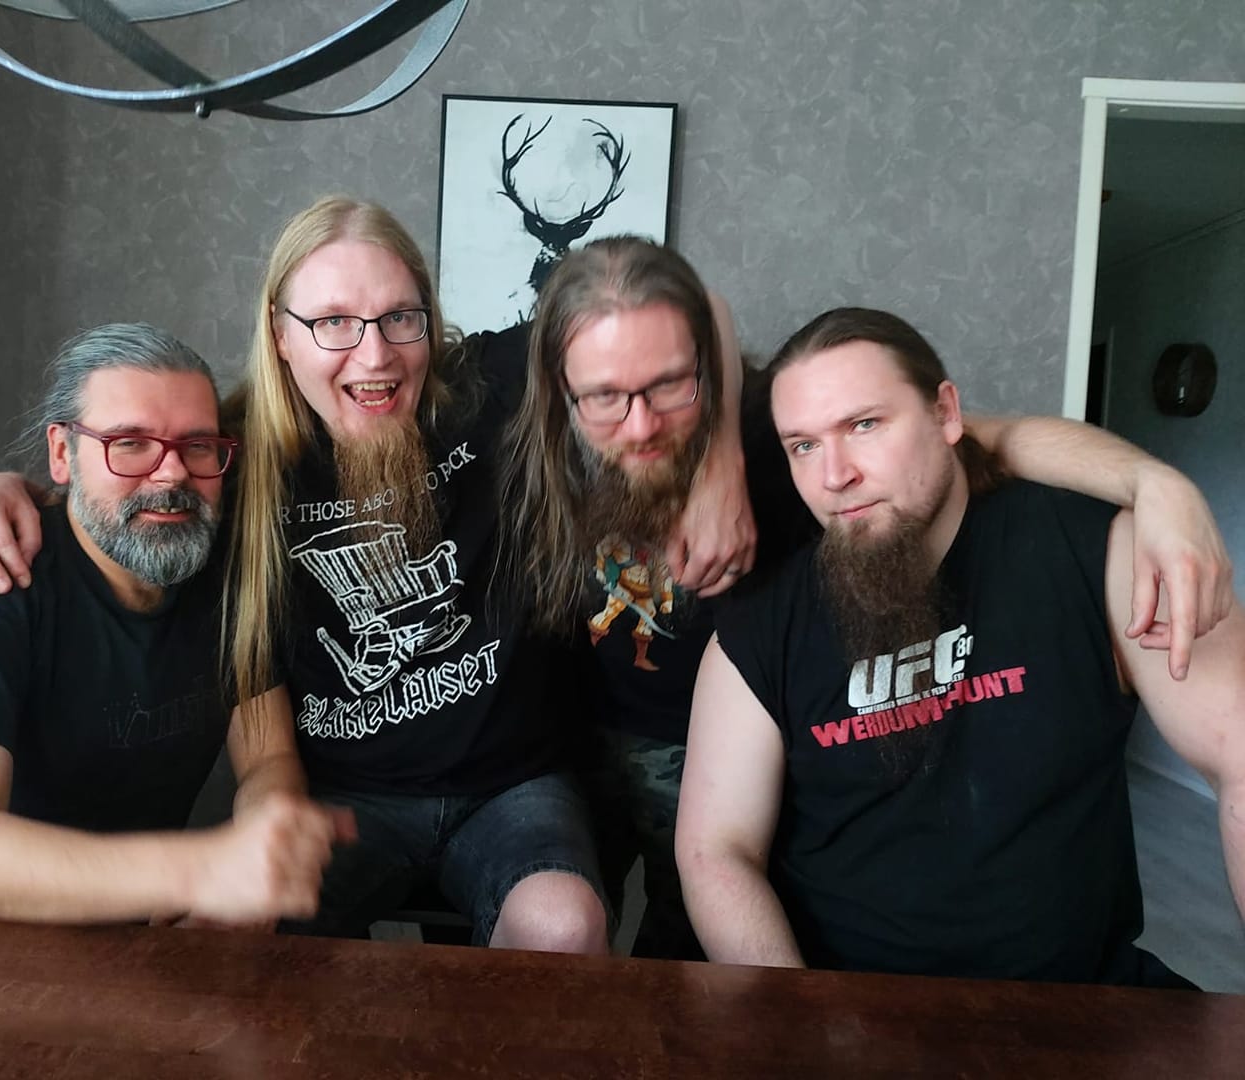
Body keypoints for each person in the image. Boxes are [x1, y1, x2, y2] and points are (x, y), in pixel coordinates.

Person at [0, 199, 755, 952]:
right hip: (342, 801)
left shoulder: (488, 390)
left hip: (513, 785)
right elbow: (128, 486)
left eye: (399, 318)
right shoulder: (231, 458)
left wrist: (722, 470)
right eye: (334, 323)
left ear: (430, 319)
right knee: (230, 941)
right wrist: (6, 491)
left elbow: (696, 309)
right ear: (280, 334)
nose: (373, 354)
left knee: (565, 926)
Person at [501, 238, 1236, 961]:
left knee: (680, 948)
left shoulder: (782, 432)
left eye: (669, 385)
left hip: (732, 742)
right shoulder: (532, 418)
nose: (641, 422)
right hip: (584, 733)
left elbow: (989, 439)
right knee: (577, 950)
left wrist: (1154, 483)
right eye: (605, 397)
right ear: (563, 388)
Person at [676, 307, 1245, 986]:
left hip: (1085, 1003)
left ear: (947, 414)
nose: (834, 475)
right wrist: (794, 1013)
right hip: (848, 1010)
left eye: (864, 425)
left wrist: (1156, 483)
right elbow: (715, 850)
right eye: (803, 446)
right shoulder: (761, 627)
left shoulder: (1094, 553)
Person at [0, 323, 351, 925]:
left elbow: (267, 758)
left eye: (197, 446)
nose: (172, 474)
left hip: (121, 948)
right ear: (62, 453)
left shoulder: (229, 574)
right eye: (129, 443)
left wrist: (266, 852)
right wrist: (201, 872)